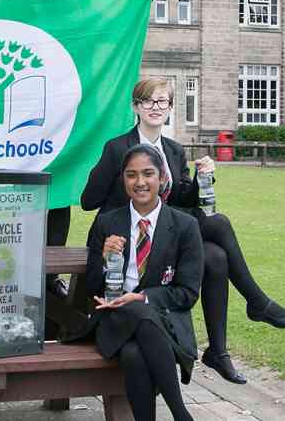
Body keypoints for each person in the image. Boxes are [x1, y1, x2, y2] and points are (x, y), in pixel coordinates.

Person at [82, 77, 285, 385]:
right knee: (219, 224)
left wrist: (202, 178)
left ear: (170, 107)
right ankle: (257, 303)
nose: (155, 107)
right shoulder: (118, 148)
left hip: (164, 235)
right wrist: (127, 184)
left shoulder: (173, 150)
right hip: (125, 238)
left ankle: (219, 351)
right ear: (136, 107)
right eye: (147, 101)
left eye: (162, 101)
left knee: (215, 257)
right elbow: (88, 201)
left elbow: (182, 198)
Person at [84, 144, 202, 421]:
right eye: (131, 175)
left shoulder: (185, 226)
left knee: (134, 354)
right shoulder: (107, 223)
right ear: (123, 179)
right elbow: (90, 287)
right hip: (114, 319)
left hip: (165, 321)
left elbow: (187, 293)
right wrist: (104, 260)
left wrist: (143, 298)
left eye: (148, 174)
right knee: (136, 314)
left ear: (162, 177)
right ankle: (181, 414)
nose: (140, 182)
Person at [19, 0, 71, 297]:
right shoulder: (8, 5)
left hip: (58, 114)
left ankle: (50, 277)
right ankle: (17, 273)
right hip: (17, 115)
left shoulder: (70, 9)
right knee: (20, 193)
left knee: (57, 186)